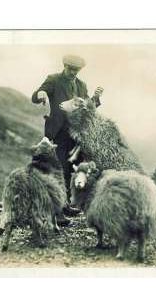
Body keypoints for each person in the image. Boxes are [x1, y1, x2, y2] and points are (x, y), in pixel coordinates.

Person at [32, 54, 103, 224]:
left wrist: (95, 97)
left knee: (71, 169)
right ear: (64, 66)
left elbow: (86, 107)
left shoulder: (81, 85)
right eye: (70, 69)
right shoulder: (54, 80)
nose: (73, 72)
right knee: (57, 170)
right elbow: (37, 95)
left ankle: (65, 205)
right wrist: (41, 94)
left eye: (76, 70)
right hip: (56, 134)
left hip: (74, 134)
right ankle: (56, 211)